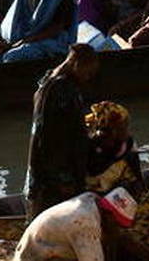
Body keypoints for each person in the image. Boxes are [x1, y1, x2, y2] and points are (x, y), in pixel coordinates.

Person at [84, 101, 149, 257]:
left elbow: (137, 177)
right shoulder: (88, 147)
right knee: (109, 217)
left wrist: (135, 193)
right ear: (110, 128)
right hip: (94, 197)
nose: (127, 129)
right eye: (123, 126)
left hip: (122, 191)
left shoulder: (127, 144)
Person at [25, 43, 100, 220]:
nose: (89, 78)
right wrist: (64, 178)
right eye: (88, 72)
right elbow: (53, 139)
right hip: (54, 178)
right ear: (77, 64)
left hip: (41, 174)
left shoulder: (47, 82)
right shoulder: (62, 90)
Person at [13, 188, 141, 261]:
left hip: (39, 248)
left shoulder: (90, 199)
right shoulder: (85, 224)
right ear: (110, 217)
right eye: (117, 226)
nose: (117, 231)